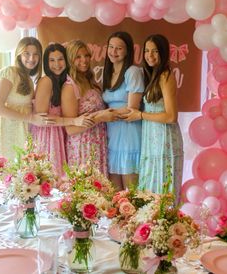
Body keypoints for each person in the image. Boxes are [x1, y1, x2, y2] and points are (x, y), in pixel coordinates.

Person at [122, 34, 184, 202]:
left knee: (162, 191)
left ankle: (162, 226)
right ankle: (150, 226)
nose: (150, 55)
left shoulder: (165, 76)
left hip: (164, 138)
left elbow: (171, 116)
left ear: (163, 53)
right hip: (152, 138)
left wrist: (141, 115)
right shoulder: (152, 75)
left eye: (155, 51)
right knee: (150, 188)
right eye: (147, 51)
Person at [31, 43, 94, 178]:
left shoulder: (62, 82)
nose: (57, 64)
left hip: (58, 134)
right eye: (52, 60)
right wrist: (74, 121)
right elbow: (43, 120)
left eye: (60, 59)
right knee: (49, 178)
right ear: (46, 63)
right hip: (47, 136)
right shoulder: (46, 81)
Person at [99, 31, 144, 191]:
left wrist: (103, 116)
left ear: (127, 51)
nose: (113, 51)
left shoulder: (132, 72)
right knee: (114, 194)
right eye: (111, 47)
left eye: (119, 48)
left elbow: (132, 109)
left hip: (129, 134)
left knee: (131, 195)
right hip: (113, 135)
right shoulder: (108, 72)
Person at [0, 37, 46, 159]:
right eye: (27, 54)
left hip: (22, 133)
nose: (31, 59)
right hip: (8, 132)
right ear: (19, 54)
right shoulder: (9, 72)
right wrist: (31, 118)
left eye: (35, 54)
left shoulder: (29, 80)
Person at [61, 39, 108, 175]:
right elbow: (70, 129)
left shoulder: (90, 81)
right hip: (83, 146)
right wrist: (101, 117)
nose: (84, 60)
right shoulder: (70, 86)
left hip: (98, 142)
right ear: (70, 59)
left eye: (86, 55)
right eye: (78, 57)